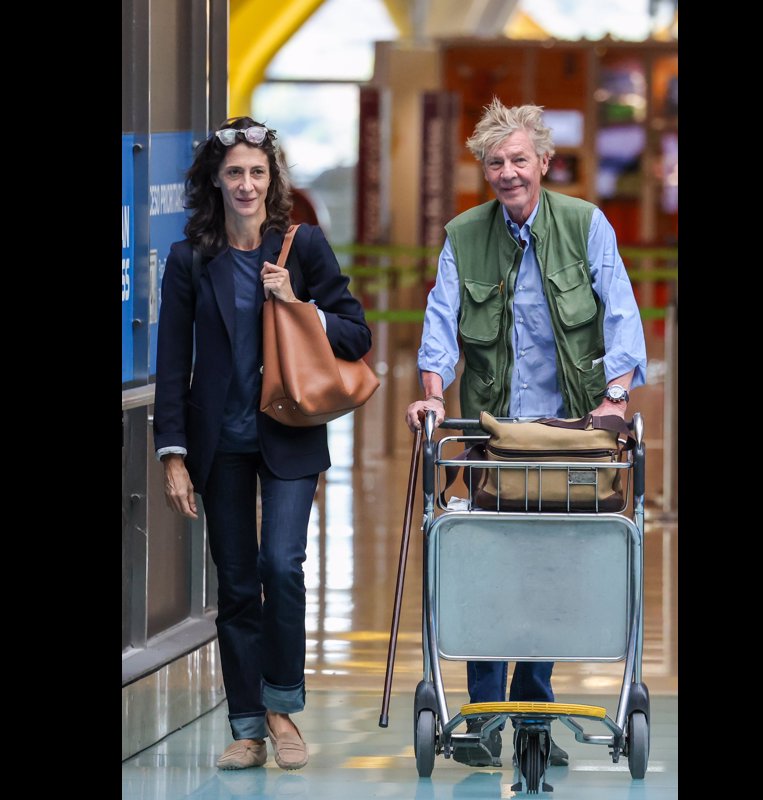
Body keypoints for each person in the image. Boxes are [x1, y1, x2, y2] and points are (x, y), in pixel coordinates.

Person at [405, 97, 647, 769]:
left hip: (568, 432)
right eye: (495, 162)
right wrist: (431, 394)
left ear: (544, 161)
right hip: (491, 431)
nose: (508, 172)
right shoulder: (465, 235)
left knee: (546, 571)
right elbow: (441, 321)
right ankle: (484, 716)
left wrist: (617, 397)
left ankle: (534, 712)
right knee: (486, 565)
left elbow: (620, 312)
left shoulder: (585, 225)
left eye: (519, 159)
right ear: (484, 169)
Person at [154, 116, 372, 771]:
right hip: (219, 442)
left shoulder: (300, 248)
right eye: (234, 174)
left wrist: (299, 305)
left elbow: (357, 335)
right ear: (215, 182)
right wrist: (173, 454)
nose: (246, 184)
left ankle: (282, 707)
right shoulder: (191, 256)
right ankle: (247, 724)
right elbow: (172, 361)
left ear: (272, 179)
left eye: (256, 172)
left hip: (291, 432)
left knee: (283, 565)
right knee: (239, 586)